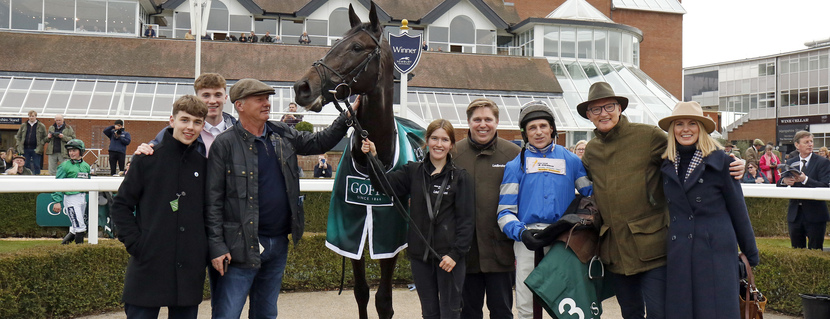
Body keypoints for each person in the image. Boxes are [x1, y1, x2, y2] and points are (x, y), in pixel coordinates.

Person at [579, 82, 745, 319]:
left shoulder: (647, 136)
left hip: (653, 247)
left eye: (609, 106)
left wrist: (732, 162)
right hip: (615, 250)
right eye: (596, 109)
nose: (603, 113)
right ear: (589, 115)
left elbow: (690, 144)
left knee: (660, 313)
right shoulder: (591, 151)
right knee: (631, 314)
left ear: (620, 108)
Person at [206, 78, 356, 318]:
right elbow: (212, 201)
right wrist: (216, 246)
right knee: (226, 314)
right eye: (260, 99)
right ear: (240, 105)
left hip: (278, 243)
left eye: (267, 98)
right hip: (239, 247)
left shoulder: (281, 132)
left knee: (266, 314)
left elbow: (319, 141)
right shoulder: (224, 144)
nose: (267, 103)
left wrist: (347, 116)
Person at [362, 119, 474, 319]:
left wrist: (455, 254)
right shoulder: (412, 171)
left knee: (450, 314)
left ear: (451, 145)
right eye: (434, 138)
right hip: (420, 258)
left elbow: (466, 221)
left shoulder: (460, 177)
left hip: (448, 259)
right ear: (427, 141)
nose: (439, 144)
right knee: (429, 314)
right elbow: (384, 185)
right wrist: (373, 157)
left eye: (444, 140)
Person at [657, 101, 759, 319]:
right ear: (672, 129)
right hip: (680, 251)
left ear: (701, 128)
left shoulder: (722, 162)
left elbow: (738, 210)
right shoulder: (665, 164)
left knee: (714, 311)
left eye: (692, 123)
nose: (686, 129)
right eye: (679, 124)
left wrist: (750, 256)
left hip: (715, 253)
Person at [111, 95, 209, 319]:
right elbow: (121, 206)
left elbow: (208, 212)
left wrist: (201, 250)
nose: (190, 127)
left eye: (197, 122)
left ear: (203, 125)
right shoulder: (146, 159)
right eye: (184, 120)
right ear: (172, 120)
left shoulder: (204, 166)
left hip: (189, 269)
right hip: (148, 265)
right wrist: (138, 244)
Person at [497, 101, 592, 319]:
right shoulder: (515, 166)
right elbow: (504, 213)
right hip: (528, 240)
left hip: (563, 240)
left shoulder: (571, 160)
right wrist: (521, 233)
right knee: (526, 305)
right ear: (525, 133)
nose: (538, 132)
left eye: (543, 126)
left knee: (564, 304)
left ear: (552, 129)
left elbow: (590, 196)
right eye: (532, 128)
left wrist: (576, 222)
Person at [453, 98, 520, 319]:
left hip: (500, 250)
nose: (483, 124)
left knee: (502, 311)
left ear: (497, 122)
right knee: (469, 312)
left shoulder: (513, 154)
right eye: (477, 119)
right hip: (466, 252)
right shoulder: (454, 154)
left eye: (488, 119)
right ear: (468, 122)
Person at [144, 73, 237, 157]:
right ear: (197, 98)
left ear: (225, 98)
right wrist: (145, 150)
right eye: (206, 95)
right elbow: (154, 149)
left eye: (218, 95)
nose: (212, 101)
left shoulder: (238, 132)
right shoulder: (177, 131)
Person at [778, 131, 830, 250]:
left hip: (815, 214)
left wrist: (805, 179)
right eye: (806, 142)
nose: (810, 144)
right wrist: (784, 181)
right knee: (796, 251)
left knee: (815, 251)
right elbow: (779, 183)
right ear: (797, 145)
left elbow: (825, 185)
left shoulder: (823, 162)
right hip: (795, 215)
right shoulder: (791, 162)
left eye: (811, 141)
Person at [51, 139, 91, 244]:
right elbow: (58, 183)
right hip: (71, 198)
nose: (71, 153)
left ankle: (62, 248)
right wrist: (57, 201)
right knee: (80, 227)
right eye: (70, 151)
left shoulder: (86, 166)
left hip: (82, 198)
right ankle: (80, 254)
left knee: (75, 228)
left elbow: (89, 182)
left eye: (74, 150)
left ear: (81, 151)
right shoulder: (64, 166)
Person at [15, 110, 47, 175]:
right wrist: (19, 145)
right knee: (26, 165)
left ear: (36, 116)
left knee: (37, 165)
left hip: (36, 149)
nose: (31, 117)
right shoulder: (24, 125)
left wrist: (41, 144)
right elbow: (18, 136)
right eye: (30, 116)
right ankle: (26, 178)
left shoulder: (41, 126)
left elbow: (45, 137)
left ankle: (37, 178)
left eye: (32, 116)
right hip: (25, 149)